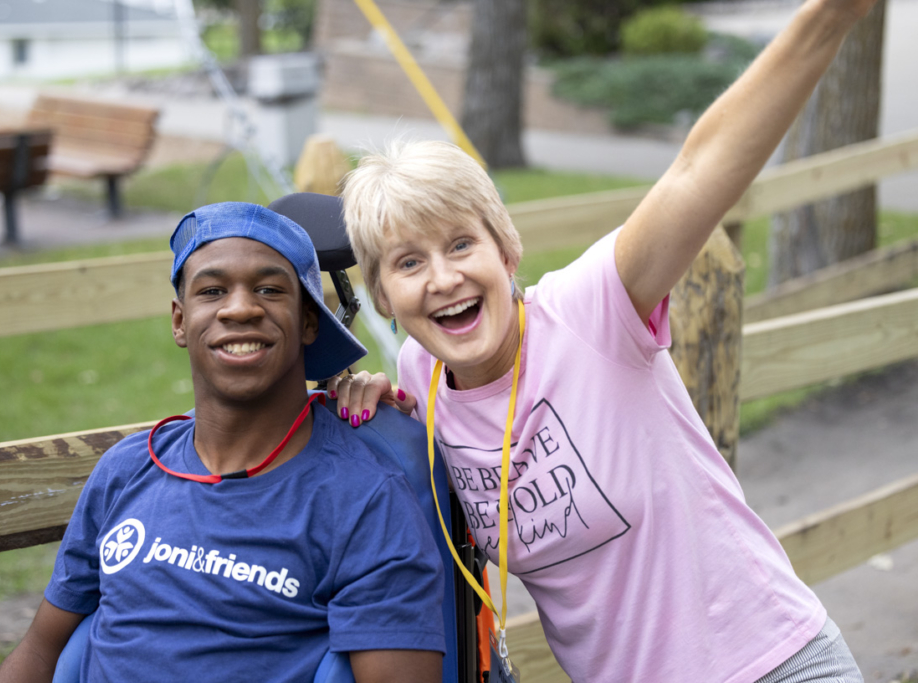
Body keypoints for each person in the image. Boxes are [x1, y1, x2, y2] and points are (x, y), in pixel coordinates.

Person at [328, 0, 877, 680]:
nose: (442, 278)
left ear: (506, 251)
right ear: (384, 297)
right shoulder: (421, 378)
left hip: (769, 661)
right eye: (408, 263)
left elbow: (699, 170)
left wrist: (829, 18)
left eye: (461, 243)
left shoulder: (592, 310)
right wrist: (364, 403)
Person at [0, 202, 446, 683]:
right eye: (212, 291)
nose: (240, 308)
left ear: (309, 322)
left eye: (269, 289)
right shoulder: (125, 471)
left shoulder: (364, 499)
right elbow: (40, 651)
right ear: (179, 321)